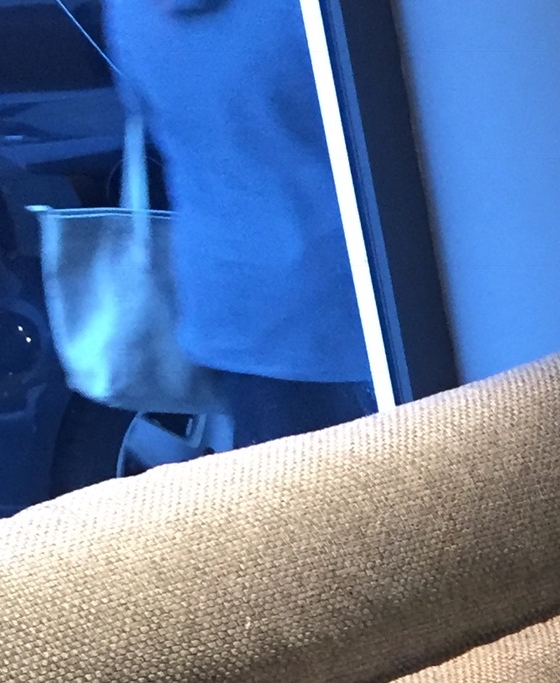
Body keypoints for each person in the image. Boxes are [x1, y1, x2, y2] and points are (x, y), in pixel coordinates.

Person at [102, 0, 373, 446]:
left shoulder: (128, 11)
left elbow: (144, 112)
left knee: (288, 482)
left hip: (228, 300)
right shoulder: (303, 11)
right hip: (344, 296)